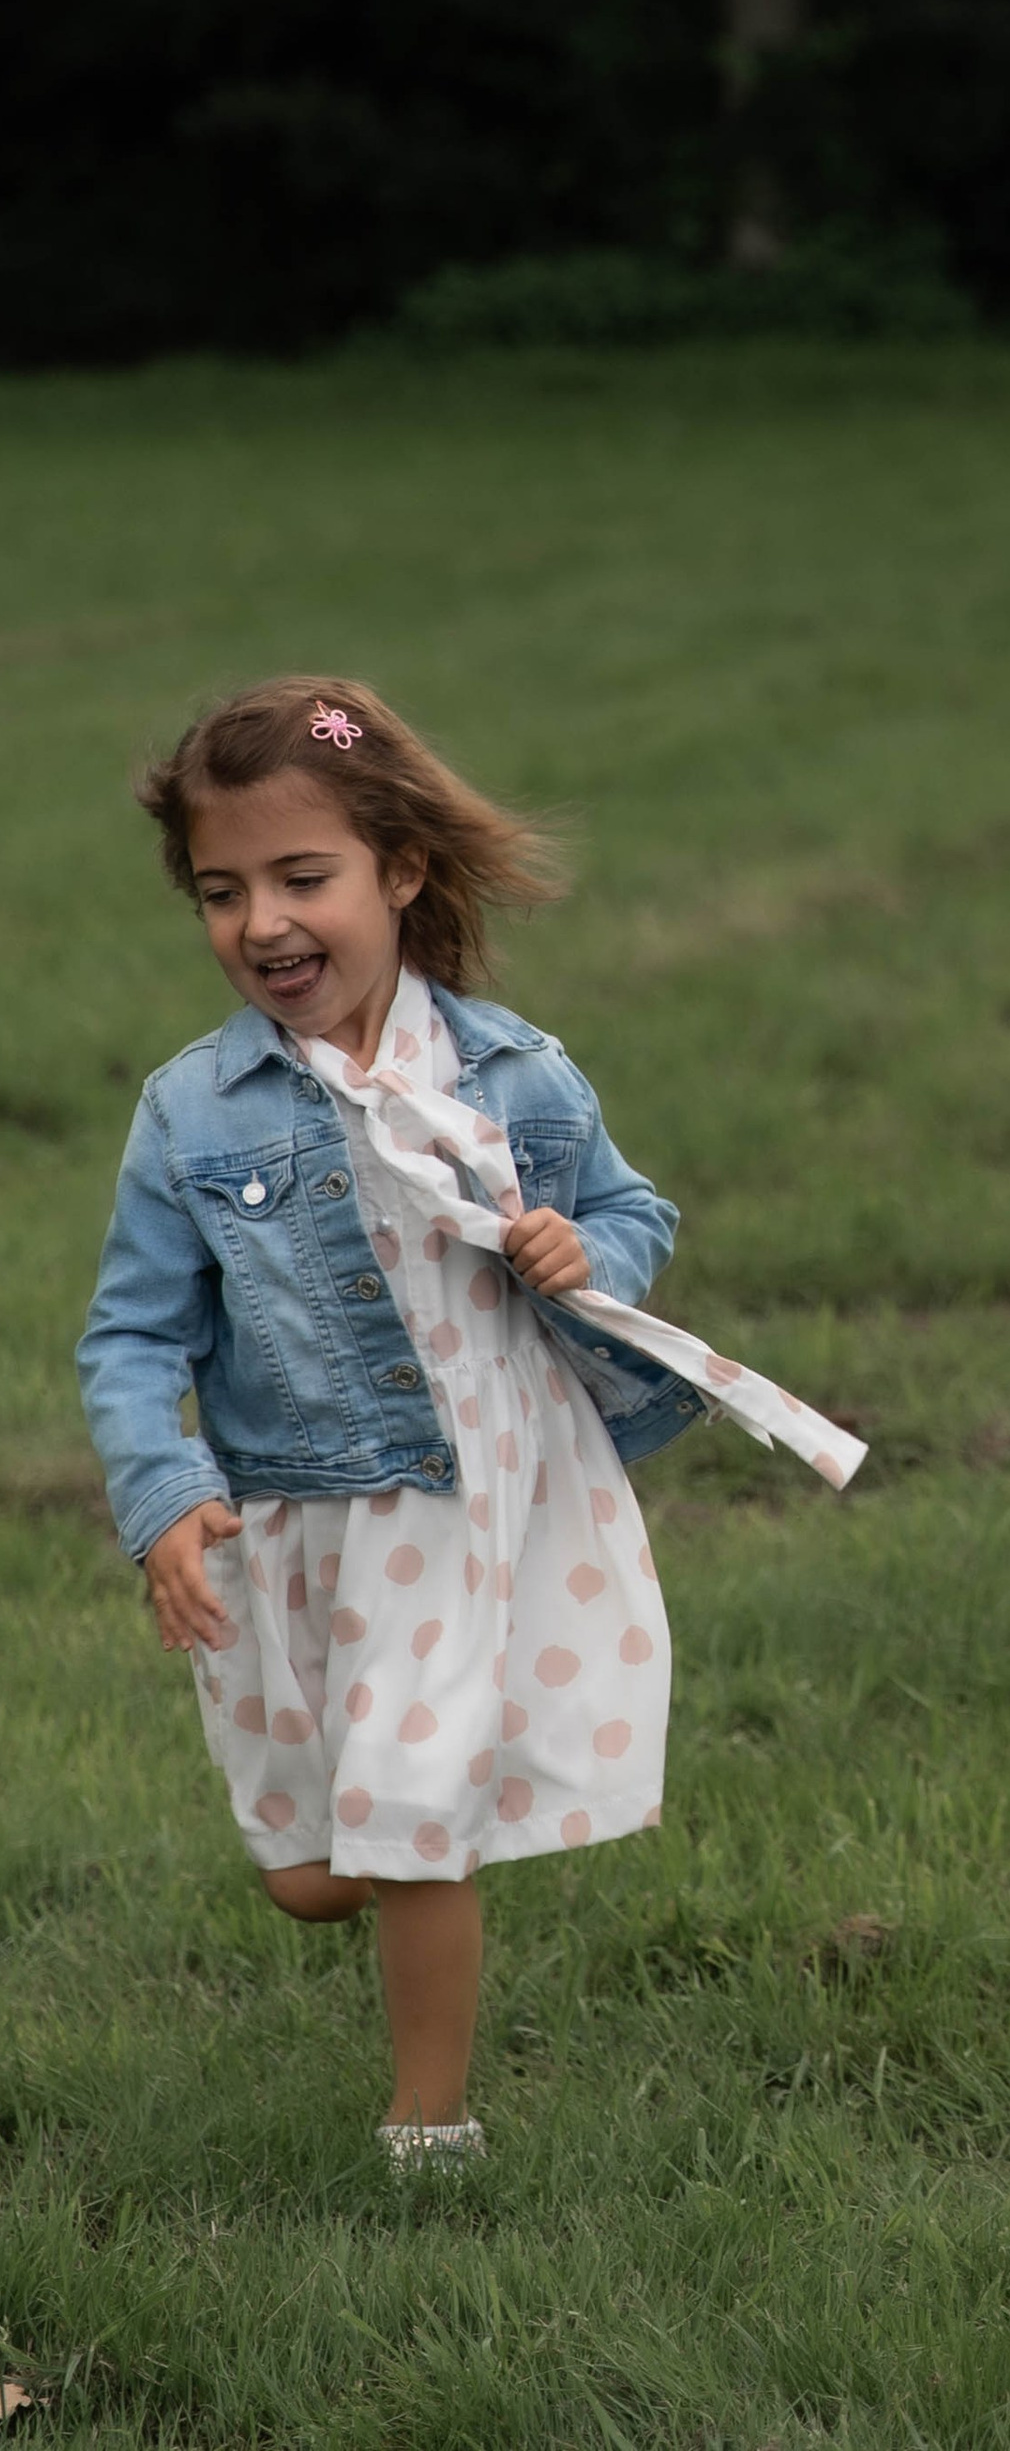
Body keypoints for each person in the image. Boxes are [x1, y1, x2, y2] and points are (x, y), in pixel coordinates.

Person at [77, 678, 860, 2166]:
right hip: (298, 1516)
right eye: (223, 892)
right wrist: (164, 1495)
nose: (264, 924)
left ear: (401, 871)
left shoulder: (511, 1072)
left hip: (469, 1501)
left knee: (410, 1821)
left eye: (303, 878)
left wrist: (591, 1250)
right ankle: (402, 1835)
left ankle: (428, 2134)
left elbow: (629, 1209)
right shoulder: (195, 1114)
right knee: (310, 1872)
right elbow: (131, 1334)